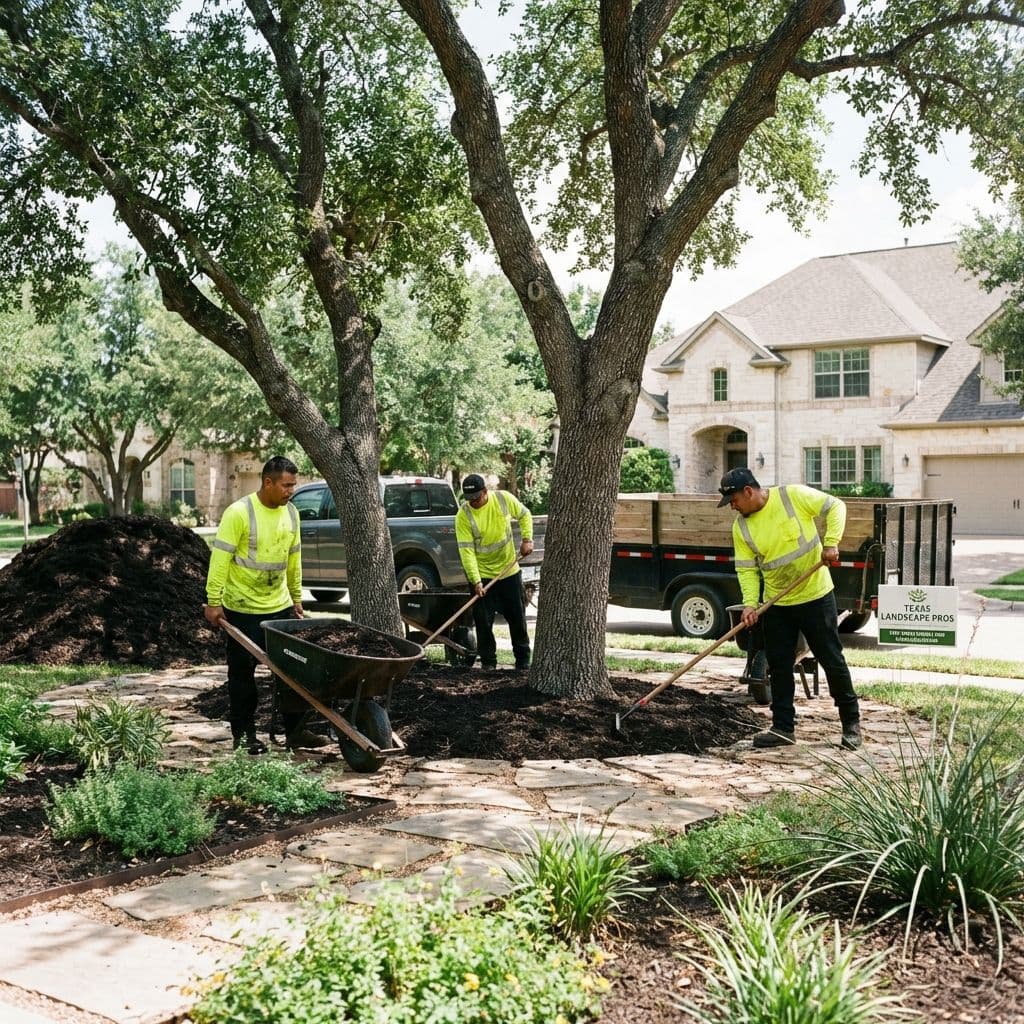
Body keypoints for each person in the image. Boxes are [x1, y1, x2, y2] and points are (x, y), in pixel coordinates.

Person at [718, 467, 862, 750]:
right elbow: (746, 569)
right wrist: (751, 603)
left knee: (831, 659)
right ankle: (783, 728)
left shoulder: (792, 496)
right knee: (779, 665)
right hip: (777, 603)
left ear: (748, 491)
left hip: (815, 595)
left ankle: (851, 724)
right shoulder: (741, 527)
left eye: (733, 500)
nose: (732, 507)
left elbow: (836, 506)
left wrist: (831, 542)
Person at [203, 456, 327, 754]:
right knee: (242, 676)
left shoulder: (292, 514)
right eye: (286, 485)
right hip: (242, 609)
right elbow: (220, 559)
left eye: (293, 485)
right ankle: (245, 735)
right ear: (268, 482)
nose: (291, 491)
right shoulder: (239, 513)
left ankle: (296, 732)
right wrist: (213, 601)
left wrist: (296, 598)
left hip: (280, 606)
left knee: (294, 670)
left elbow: (294, 559)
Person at [455, 474, 534, 671]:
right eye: (469, 499)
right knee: (483, 623)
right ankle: (488, 663)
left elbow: (524, 514)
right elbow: (466, 551)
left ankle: (523, 661)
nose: (473, 502)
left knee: (517, 618)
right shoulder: (463, 515)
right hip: (482, 576)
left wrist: (527, 539)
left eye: (476, 498)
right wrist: (476, 581)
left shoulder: (503, 499)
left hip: (509, 572)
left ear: (485, 491)